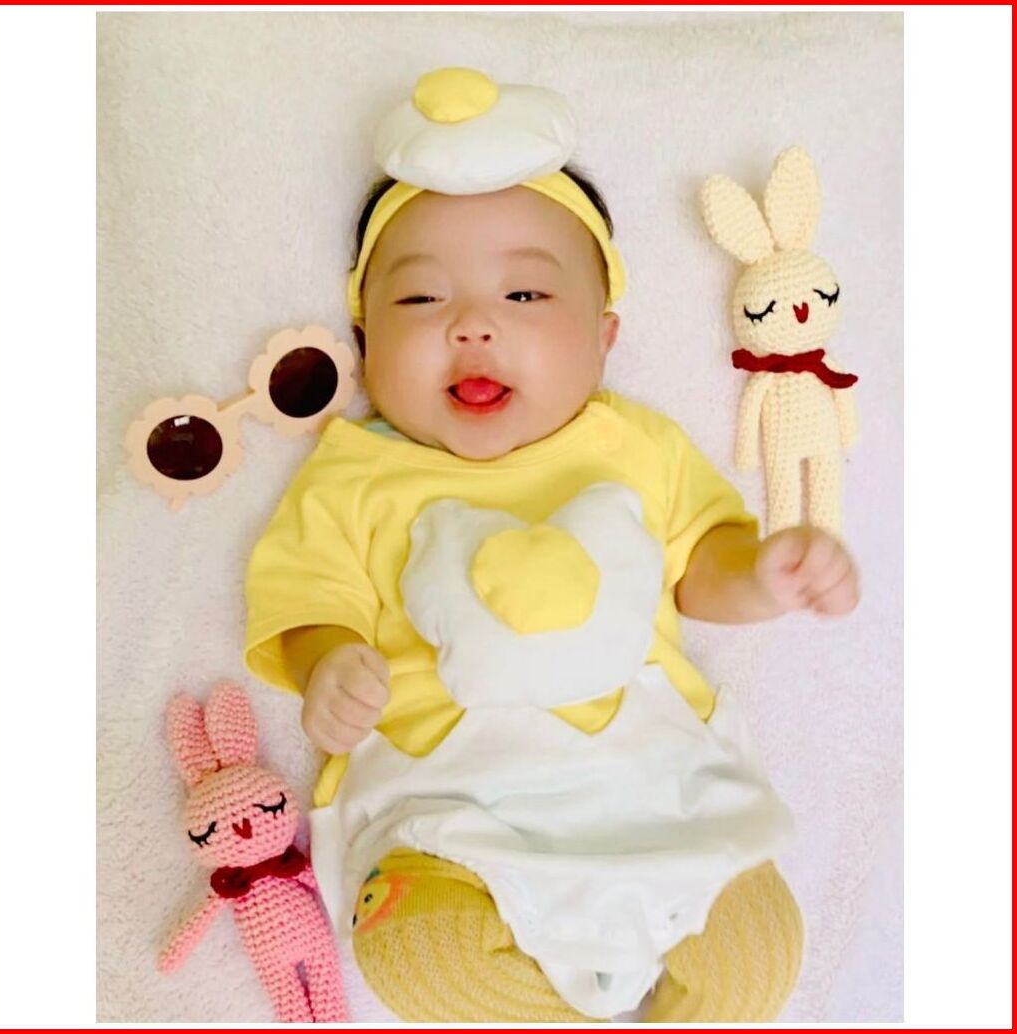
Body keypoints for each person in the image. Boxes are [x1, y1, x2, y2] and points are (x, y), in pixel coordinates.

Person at [244, 67, 859, 1022]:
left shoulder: (633, 445)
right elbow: (305, 600)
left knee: (758, 953)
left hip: (659, 795)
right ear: (363, 337)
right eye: (420, 300)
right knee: (416, 951)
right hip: (449, 814)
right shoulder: (353, 473)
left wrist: (766, 572)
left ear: (604, 336)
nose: (473, 325)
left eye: (526, 293)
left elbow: (702, 566)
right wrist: (326, 663)